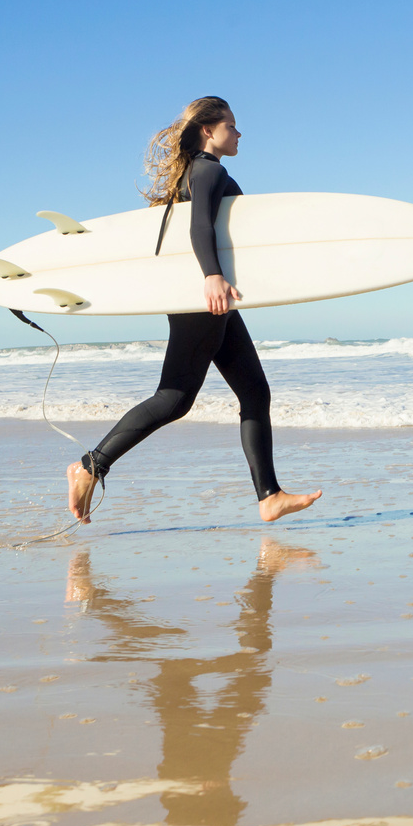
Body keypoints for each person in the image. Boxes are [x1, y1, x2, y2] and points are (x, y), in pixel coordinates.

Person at [65, 96, 322, 524]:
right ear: (209, 129)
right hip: (205, 297)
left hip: (210, 299)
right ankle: (90, 466)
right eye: (232, 125)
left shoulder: (192, 174)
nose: (239, 134)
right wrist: (212, 276)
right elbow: (199, 225)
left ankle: (269, 496)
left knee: (255, 392)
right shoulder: (208, 170)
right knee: (175, 397)